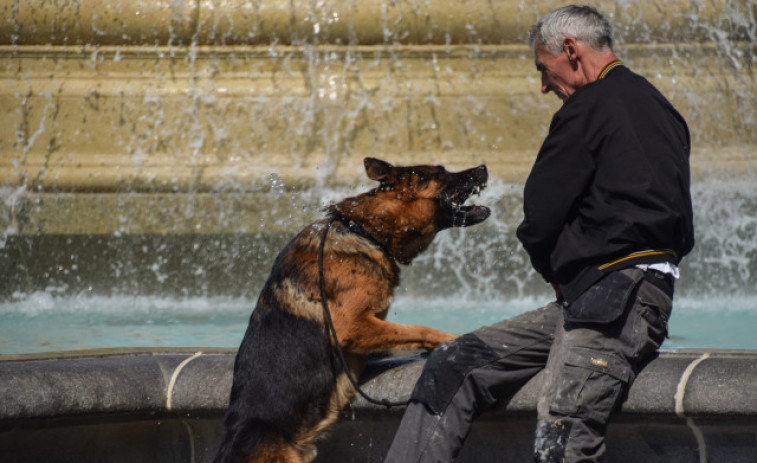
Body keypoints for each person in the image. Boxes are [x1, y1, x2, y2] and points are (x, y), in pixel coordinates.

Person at [383, 5, 694, 462]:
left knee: (564, 437)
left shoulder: (588, 105)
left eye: (543, 70)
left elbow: (542, 213)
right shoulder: (662, 108)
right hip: (608, 299)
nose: (543, 85)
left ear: (571, 49)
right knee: (454, 362)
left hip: (614, 302)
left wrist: (554, 265)